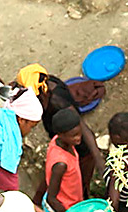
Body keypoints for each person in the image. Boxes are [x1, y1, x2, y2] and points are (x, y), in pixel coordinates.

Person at [15, 64, 105, 199]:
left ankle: (84, 199)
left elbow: (82, 127)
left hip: (81, 150)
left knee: (79, 182)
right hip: (63, 140)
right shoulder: (43, 83)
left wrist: (98, 159)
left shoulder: (57, 102)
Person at [43, 109, 84, 212]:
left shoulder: (60, 142)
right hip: (59, 209)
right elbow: (52, 198)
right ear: (60, 135)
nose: (78, 138)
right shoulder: (60, 163)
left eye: (79, 133)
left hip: (71, 202)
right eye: (73, 136)